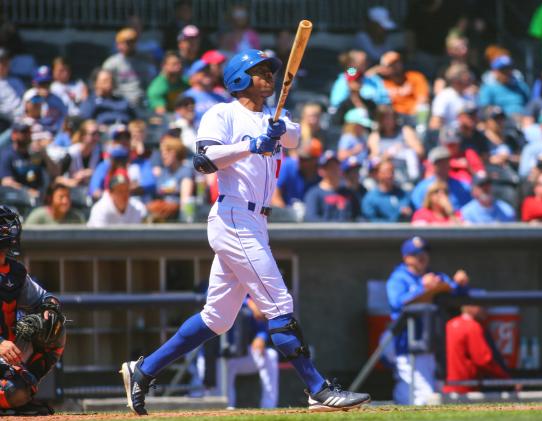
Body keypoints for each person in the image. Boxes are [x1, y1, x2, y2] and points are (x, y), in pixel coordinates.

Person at [120, 49, 370, 415]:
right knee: (279, 303)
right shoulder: (222, 113)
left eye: (271, 70)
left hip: (257, 222)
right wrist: (251, 145)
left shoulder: (274, 116)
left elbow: (297, 138)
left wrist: (279, 129)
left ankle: (142, 371)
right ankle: (317, 388)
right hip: (234, 215)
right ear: (238, 77)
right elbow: (203, 160)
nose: (268, 75)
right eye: (259, 71)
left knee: (217, 318)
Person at [386, 236, 469, 405]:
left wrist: (460, 284)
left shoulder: (435, 276)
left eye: (424, 252)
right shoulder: (399, 278)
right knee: (423, 396)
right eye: (416, 253)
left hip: (432, 344)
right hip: (406, 344)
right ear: (406, 257)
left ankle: (399, 404)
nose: (422, 256)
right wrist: (422, 288)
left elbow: (456, 292)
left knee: (429, 393)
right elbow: (396, 302)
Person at [0, 206, 67, 416]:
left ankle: (25, 389)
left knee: (53, 326)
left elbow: (44, 298)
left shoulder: (15, 271)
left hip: (9, 352)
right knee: (12, 392)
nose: (6, 230)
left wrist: (50, 308)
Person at [224, 297, 279, 409]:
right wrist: (247, 302)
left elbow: (262, 326)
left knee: (271, 355)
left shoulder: (254, 295)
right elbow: (208, 297)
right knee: (218, 363)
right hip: (224, 355)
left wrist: (261, 337)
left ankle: (269, 407)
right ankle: (227, 406)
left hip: (245, 353)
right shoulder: (247, 300)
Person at [443, 305, 510, 393]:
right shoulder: (473, 326)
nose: (486, 310)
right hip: (467, 390)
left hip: (449, 387)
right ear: (472, 307)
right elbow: (483, 360)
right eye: (482, 306)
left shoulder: (450, 324)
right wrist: (506, 380)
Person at [367, 105, 423, 187]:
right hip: (386, 179)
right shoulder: (375, 136)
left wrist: (402, 149)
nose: (388, 121)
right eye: (384, 118)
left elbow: (420, 151)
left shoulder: (405, 131)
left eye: (390, 118)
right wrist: (387, 156)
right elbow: (373, 160)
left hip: (405, 175)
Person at [102, 27, 155, 109]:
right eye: (125, 42)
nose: (129, 45)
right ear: (118, 45)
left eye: (132, 42)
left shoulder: (145, 60)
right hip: (119, 101)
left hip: (142, 102)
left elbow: (152, 83)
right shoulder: (111, 63)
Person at [303, 151, 360, 222]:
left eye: (336, 166)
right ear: (321, 171)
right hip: (325, 232)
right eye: (330, 167)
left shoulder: (349, 193)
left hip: (348, 232)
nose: (334, 170)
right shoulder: (313, 194)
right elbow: (311, 218)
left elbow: (358, 216)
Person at [147, 136, 194, 222]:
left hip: (177, 214)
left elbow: (185, 199)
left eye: (165, 152)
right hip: (160, 214)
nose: (163, 156)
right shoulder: (164, 172)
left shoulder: (185, 171)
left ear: (174, 153)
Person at [0, 122, 50, 201]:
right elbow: (6, 182)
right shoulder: (6, 155)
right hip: (16, 200)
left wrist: (44, 153)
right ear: (14, 135)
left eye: (29, 132)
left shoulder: (35, 154)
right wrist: (27, 191)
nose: (27, 135)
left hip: (38, 198)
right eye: (23, 132)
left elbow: (55, 173)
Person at [411, 146, 471, 211]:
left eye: (445, 161)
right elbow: (420, 212)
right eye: (438, 162)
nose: (443, 165)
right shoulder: (421, 188)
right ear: (432, 165)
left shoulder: (463, 186)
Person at [376, 51, 429, 119]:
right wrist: (376, 70)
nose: (395, 66)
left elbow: (423, 98)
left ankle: (421, 129)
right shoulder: (381, 83)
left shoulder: (415, 77)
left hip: (414, 115)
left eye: (397, 62)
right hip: (394, 118)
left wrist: (412, 112)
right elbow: (366, 79)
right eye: (391, 64)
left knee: (423, 107)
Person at [271, 140, 322, 208]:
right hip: (287, 213)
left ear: (315, 160)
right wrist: (285, 213)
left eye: (305, 159)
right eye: (300, 158)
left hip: (311, 216)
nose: (300, 161)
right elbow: (274, 194)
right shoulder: (288, 165)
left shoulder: (322, 174)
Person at [55, 119, 102, 189]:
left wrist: (89, 173)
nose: (96, 137)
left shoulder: (99, 151)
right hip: (71, 192)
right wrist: (71, 182)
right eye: (93, 134)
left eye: (98, 134)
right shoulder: (71, 153)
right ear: (83, 136)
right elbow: (56, 178)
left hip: (89, 191)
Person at [22, 66, 67, 133]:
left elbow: (64, 117)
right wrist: (39, 97)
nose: (44, 87)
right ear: (34, 83)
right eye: (41, 83)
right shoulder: (30, 95)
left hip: (52, 133)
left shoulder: (57, 99)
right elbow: (31, 113)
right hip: (31, 131)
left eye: (47, 83)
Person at [429, 63, 473, 130]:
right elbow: (435, 124)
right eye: (464, 74)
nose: (468, 77)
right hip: (451, 137)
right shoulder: (444, 96)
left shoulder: (470, 95)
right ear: (455, 79)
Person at [183, 59, 227, 125]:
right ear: (193, 76)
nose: (207, 73)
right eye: (203, 71)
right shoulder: (186, 97)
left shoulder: (221, 97)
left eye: (209, 70)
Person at [0, 48, 24, 129]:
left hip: (24, 121)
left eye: (6, 62)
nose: (4, 65)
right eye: (1, 62)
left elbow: (25, 100)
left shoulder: (16, 81)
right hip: (6, 124)